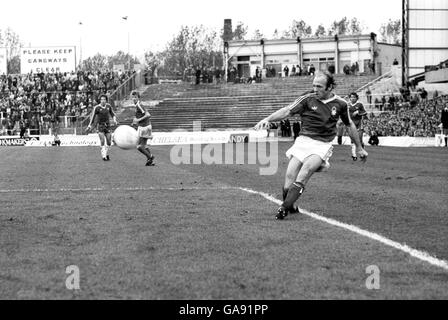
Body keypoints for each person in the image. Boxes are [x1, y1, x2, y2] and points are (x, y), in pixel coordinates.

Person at [254, 71, 368, 220]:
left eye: (319, 86)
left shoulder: (341, 104)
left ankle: (283, 209)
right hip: (303, 141)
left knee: (304, 172)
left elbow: (349, 124)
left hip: (322, 144)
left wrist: (359, 148)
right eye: (314, 85)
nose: (315, 89)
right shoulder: (308, 98)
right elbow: (287, 110)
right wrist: (268, 119)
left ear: (329, 87)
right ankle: (291, 205)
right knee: (289, 178)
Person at [86, 94, 118, 161]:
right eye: (102, 99)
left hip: (108, 126)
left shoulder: (108, 106)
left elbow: (113, 114)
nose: (103, 101)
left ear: (106, 100)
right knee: (102, 140)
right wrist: (89, 126)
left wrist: (114, 120)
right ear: (100, 100)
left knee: (109, 142)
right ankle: (104, 156)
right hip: (100, 126)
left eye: (104, 99)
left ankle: (106, 154)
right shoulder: (97, 108)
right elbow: (92, 117)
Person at [131, 90, 155, 166]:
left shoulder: (139, 105)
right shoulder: (138, 105)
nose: (134, 98)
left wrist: (138, 120)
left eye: (136, 97)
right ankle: (150, 161)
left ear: (138, 98)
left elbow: (148, 115)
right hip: (145, 126)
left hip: (144, 127)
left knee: (139, 146)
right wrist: (136, 121)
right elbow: (143, 114)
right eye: (133, 97)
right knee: (144, 145)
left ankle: (150, 157)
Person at [347, 92, 368, 160]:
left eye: (354, 97)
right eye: (351, 97)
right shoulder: (347, 105)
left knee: (359, 139)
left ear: (356, 98)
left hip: (359, 123)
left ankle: (362, 153)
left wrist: (358, 112)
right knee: (353, 139)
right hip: (351, 124)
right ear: (349, 98)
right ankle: (354, 155)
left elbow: (365, 113)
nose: (352, 98)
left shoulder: (359, 105)